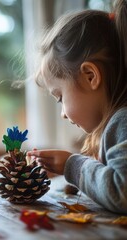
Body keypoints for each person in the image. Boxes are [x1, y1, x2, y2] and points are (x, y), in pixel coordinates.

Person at [28, 0, 127, 214]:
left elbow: (122, 192)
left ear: (90, 76)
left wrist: (72, 165)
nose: (63, 114)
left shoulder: (123, 122)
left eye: (60, 97)